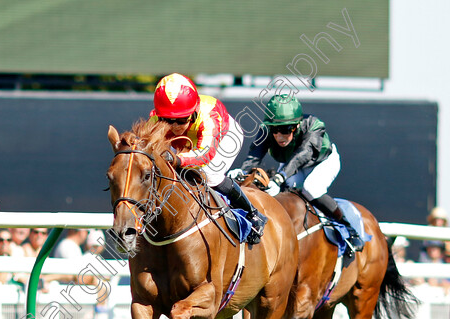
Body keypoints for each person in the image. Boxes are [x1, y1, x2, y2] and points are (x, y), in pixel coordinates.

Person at [230, 94, 364, 253]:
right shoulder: (266, 130)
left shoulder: (314, 126)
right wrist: (243, 171)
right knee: (278, 193)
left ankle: (349, 229)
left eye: (285, 129)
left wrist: (280, 177)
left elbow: (302, 155)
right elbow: (255, 155)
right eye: (275, 129)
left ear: (296, 126)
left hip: (322, 162)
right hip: (293, 165)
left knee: (311, 188)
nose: (280, 136)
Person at [149, 73, 267, 244]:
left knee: (209, 174)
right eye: (167, 120)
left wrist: (177, 159)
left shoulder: (209, 116)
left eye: (181, 120)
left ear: (193, 111)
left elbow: (205, 154)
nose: (174, 126)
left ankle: (252, 213)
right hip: (188, 141)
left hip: (223, 136)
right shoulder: (155, 119)